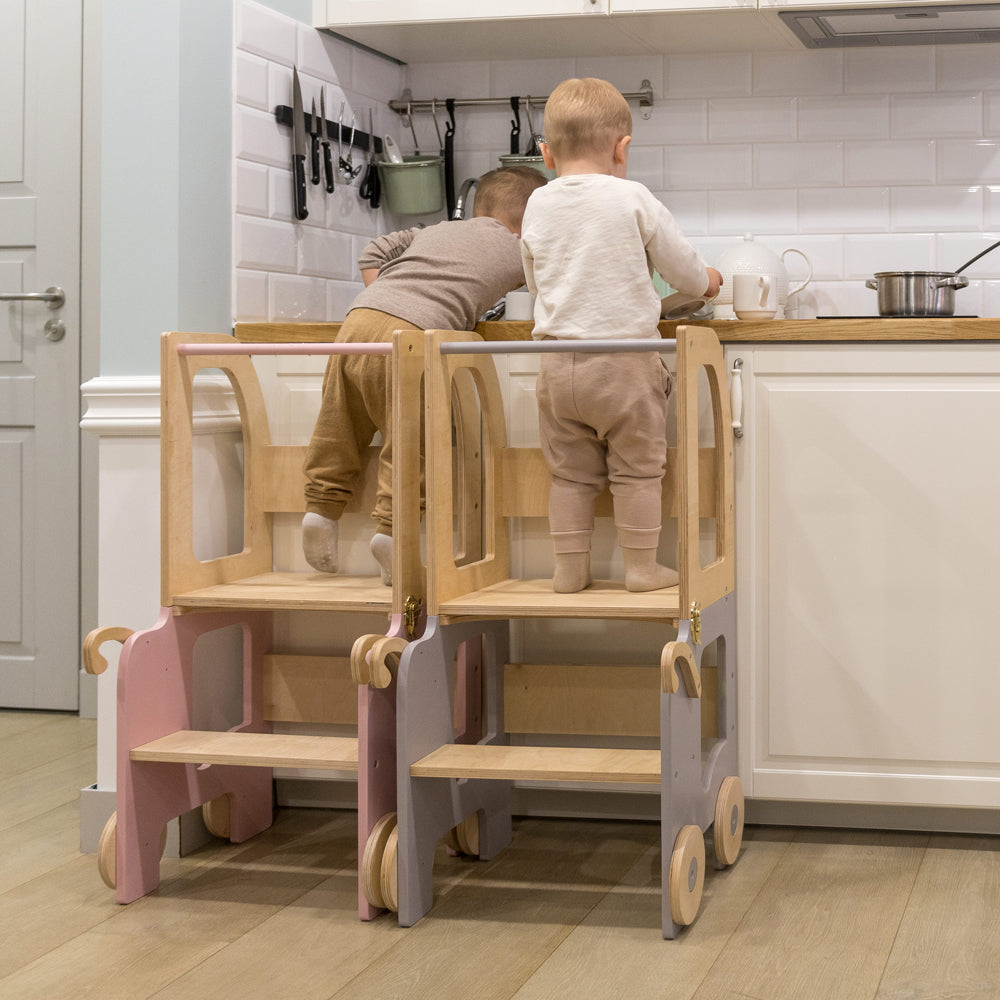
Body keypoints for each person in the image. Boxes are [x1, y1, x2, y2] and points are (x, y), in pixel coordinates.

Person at [519, 77, 722, 594]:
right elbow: (682, 270)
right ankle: (640, 568)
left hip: (557, 362)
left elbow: (534, 278)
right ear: (622, 147)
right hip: (623, 363)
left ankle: (568, 570)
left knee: (569, 476)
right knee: (637, 472)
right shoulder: (632, 196)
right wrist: (710, 281)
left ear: (545, 153)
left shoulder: (537, 204)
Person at [302, 165, 548, 584]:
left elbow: (373, 252)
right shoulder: (520, 249)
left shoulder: (433, 231)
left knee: (337, 425)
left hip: (358, 319)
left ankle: (320, 511)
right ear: (529, 221)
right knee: (412, 439)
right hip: (416, 334)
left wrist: (389, 295)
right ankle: (392, 533)